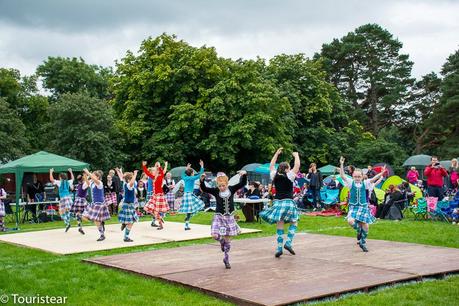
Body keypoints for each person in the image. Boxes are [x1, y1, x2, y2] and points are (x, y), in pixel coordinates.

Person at [200, 170, 247, 269]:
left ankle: (226, 259)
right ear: (217, 185)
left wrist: (244, 175)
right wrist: (202, 180)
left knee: (228, 240)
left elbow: (242, 183)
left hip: (229, 218)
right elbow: (204, 188)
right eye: (219, 186)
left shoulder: (232, 189)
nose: (221, 188)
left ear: (227, 184)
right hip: (219, 217)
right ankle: (221, 242)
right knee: (214, 235)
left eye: (223, 186)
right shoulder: (216, 191)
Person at [259, 148, 301, 258]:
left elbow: (271, 166)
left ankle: (279, 247)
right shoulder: (290, 175)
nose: (291, 168)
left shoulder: (274, 175)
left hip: (278, 203)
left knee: (280, 224)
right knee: (294, 222)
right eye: (289, 167)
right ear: (287, 169)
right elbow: (297, 166)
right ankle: (288, 243)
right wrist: (296, 155)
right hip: (288, 203)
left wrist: (276, 154)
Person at [339, 157, 386, 252]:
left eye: (359, 176)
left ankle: (363, 242)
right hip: (353, 207)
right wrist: (341, 164)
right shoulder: (350, 183)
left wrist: (381, 173)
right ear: (352, 176)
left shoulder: (366, 183)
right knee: (350, 221)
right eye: (355, 176)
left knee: (366, 226)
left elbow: (374, 179)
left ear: (362, 176)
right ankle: (359, 231)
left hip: (363, 207)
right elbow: (343, 176)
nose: (357, 178)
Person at [82, 169, 110, 241]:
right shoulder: (92, 183)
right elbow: (87, 183)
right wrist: (85, 175)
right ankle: (99, 222)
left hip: (99, 204)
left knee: (96, 220)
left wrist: (88, 173)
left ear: (97, 177)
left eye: (93, 175)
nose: (92, 177)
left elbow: (94, 179)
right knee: (83, 216)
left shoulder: (99, 183)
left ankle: (102, 234)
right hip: (93, 204)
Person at [178, 161, 205, 230]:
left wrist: (187, 168)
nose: (193, 173)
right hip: (189, 195)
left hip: (186, 195)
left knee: (189, 210)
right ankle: (187, 222)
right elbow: (200, 175)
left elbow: (182, 175)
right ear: (191, 174)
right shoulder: (191, 178)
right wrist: (202, 166)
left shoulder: (185, 178)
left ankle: (187, 223)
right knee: (198, 205)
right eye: (193, 173)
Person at [143, 161, 169, 230]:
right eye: (152, 171)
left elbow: (163, 171)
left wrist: (161, 165)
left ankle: (160, 224)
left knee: (156, 211)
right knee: (147, 208)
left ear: (157, 171)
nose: (152, 172)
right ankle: (160, 218)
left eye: (154, 170)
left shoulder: (161, 176)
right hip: (154, 196)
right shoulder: (153, 177)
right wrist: (144, 166)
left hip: (159, 196)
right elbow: (146, 172)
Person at [117, 169, 139, 242]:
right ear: (129, 179)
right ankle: (126, 237)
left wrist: (119, 172)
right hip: (128, 205)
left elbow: (122, 178)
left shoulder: (126, 184)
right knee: (131, 221)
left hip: (129, 204)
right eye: (132, 177)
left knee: (131, 220)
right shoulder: (129, 185)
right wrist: (135, 174)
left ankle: (124, 223)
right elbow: (132, 182)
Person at [49, 168, 74, 232]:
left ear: (60, 177)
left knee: (61, 212)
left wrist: (51, 172)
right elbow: (73, 179)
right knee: (67, 211)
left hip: (63, 198)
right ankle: (68, 221)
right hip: (69, 197)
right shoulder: (68, 182)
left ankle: (67, 223)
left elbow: (51, 179)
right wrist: (71, 172)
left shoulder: (59, 182)